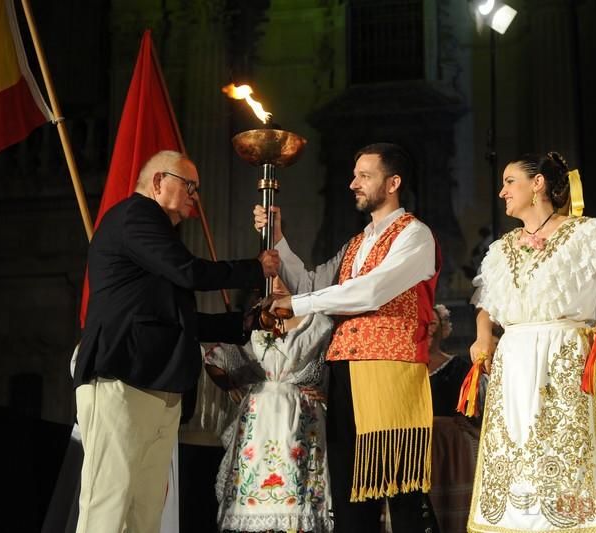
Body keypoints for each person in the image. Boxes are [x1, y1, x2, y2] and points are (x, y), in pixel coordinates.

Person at [73, 150, 279, 533]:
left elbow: (178, 320)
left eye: (197, 188)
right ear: (157, 182)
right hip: (122, 379)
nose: (195, 196)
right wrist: (255, 268)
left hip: (157, 386)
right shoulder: (135, 217)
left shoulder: (156, 239)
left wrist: (244, 324)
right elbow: (189, 273)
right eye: (189, 185)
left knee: (145, 509)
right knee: (108, 501)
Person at [468, 151, 596, 533]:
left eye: (510, 182)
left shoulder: (586, 232)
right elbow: (485, 302)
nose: (502, 192)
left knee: (569, 463)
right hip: (514, 365)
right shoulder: (501, 248)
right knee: (517, 471)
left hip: (564, 359)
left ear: (537, 183)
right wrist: (482, 337)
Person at [254, 142, 442, 533]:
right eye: (354, 175)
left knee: (400, 489)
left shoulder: (415, 236)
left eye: (364, 176)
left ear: (393, 183)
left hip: (391, 373)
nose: (353, 183)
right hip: (344, 371)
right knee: (350, 489)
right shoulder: (355, 245)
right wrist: (278, 239)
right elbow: (308, 284)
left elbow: (371, 291)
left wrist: (297, 304)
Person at [212, 277, 333, 533]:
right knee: (255, 490)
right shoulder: (255, 320)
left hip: (301, 413)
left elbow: (334, 368)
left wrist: (326, 393)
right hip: (261, 412)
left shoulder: (319, 322)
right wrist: (234, 387)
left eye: (283, 274)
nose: (277, 281)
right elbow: (218, 356)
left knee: (298, 486)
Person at [426, 304, 482, 533]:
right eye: (424, 324)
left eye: (433, 324)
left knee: (451, 509)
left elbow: (471, 411)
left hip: (450, 448)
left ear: (443, 328)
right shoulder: (402, 369)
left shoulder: (457, 366)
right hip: (415, 445)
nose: (428, 330)